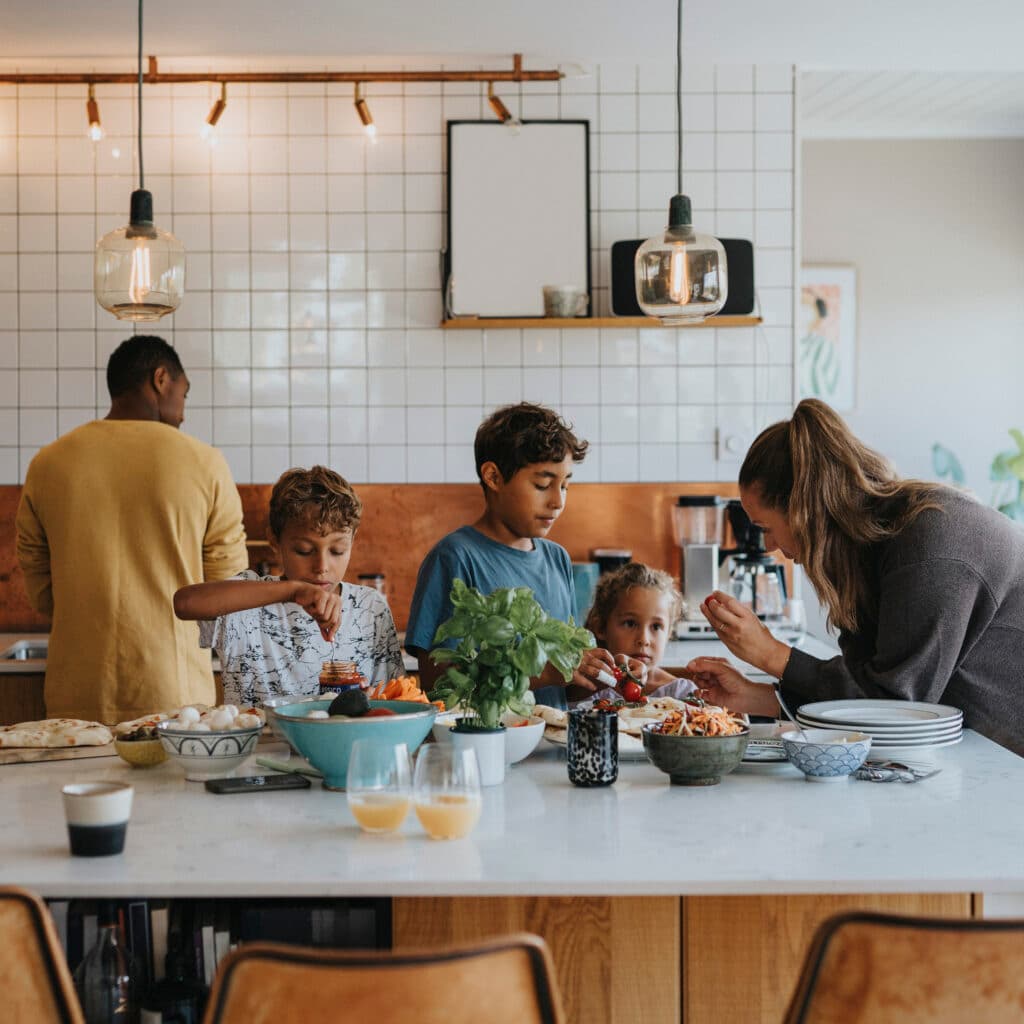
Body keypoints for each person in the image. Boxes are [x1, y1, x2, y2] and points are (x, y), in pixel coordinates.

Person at [686, 398, 1024, 756]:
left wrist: (772, 654)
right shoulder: (870, 553)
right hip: (986, 754)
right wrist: (757, 697)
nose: (768, 545)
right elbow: (865, 687)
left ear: (803, 510)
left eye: (766, 528)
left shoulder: (932, 542)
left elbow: (892, 708)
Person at [16, 335, 248, 724]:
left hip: (77, 696)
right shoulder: (205, 464)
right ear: (161, 379)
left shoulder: (48, 463)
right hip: (177, 698)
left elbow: (40, 588)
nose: (183, 412)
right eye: (184, 393)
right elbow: (228, 588)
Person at [404, 402, 592, 708]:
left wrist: (600, 677)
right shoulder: (455, 558)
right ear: (493, 477)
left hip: (551, 751)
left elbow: (563, 691)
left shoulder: (558, 559)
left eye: (566, 485)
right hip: (482, 746)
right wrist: (539, 674)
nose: (558, 501)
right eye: (542, 484)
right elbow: (438, 684)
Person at [174, 465, 403, 706]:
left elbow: (394, 701)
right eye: (304, 551)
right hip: (259, 744)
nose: (322, 566)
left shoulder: (370, 608)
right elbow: (185, 603)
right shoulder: (246, 603)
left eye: (338, 550)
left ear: (352, 541)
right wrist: (293, 591)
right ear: (274, 540)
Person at [575, 562, 697, 703]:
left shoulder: (682, 693)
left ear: (669, 633)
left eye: (656, 626)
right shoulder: (585, 689)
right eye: (630, 623)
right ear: (601, 627)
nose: (644, 639)